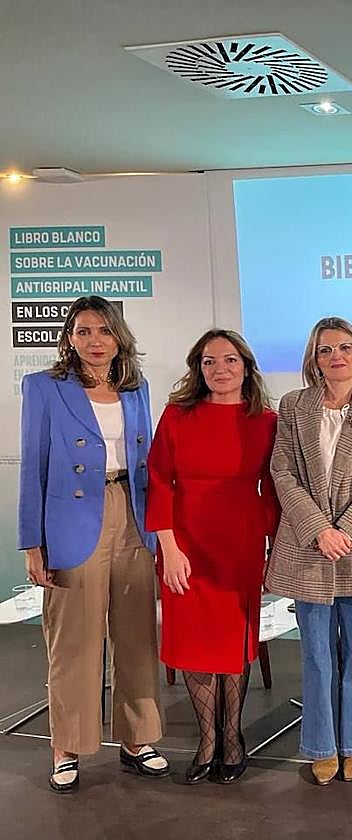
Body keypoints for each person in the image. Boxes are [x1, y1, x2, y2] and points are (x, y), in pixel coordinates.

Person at [17, 295, 169, 792]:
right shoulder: (44, 387)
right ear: (69, 338)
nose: (95, 341)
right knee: (75, 642)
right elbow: (33, 466)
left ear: (119, 337)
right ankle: (67, 746)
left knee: (137, 635)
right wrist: (32, 543)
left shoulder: (136, 387)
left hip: (133, 514)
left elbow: (148, 460)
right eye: (83, 331)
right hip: (71, 519)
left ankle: (137, 739)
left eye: (104, 330)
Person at [267, 316, 352, 785]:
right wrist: (318, 530)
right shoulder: (294, 405)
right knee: (316, 652)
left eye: (345, 347)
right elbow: (282, 471)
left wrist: (346, 529)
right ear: (314, 358)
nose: (336, 357)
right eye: (325, 350)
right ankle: (322, 745)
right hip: (308, 548)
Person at [147, 329, 280, 785]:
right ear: (198, 368)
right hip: (184, 546)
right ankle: (207, 741)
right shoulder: (177, 415)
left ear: (246, 366)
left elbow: (273, 491)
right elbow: (159, 481)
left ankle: (233, 737)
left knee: (231, 643)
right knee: (194, 643)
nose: (219, 369)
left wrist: (272, 549)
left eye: (229, 360)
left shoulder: (266, 420)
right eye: (209, 361)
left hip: (239, 545)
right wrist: (168, 548)